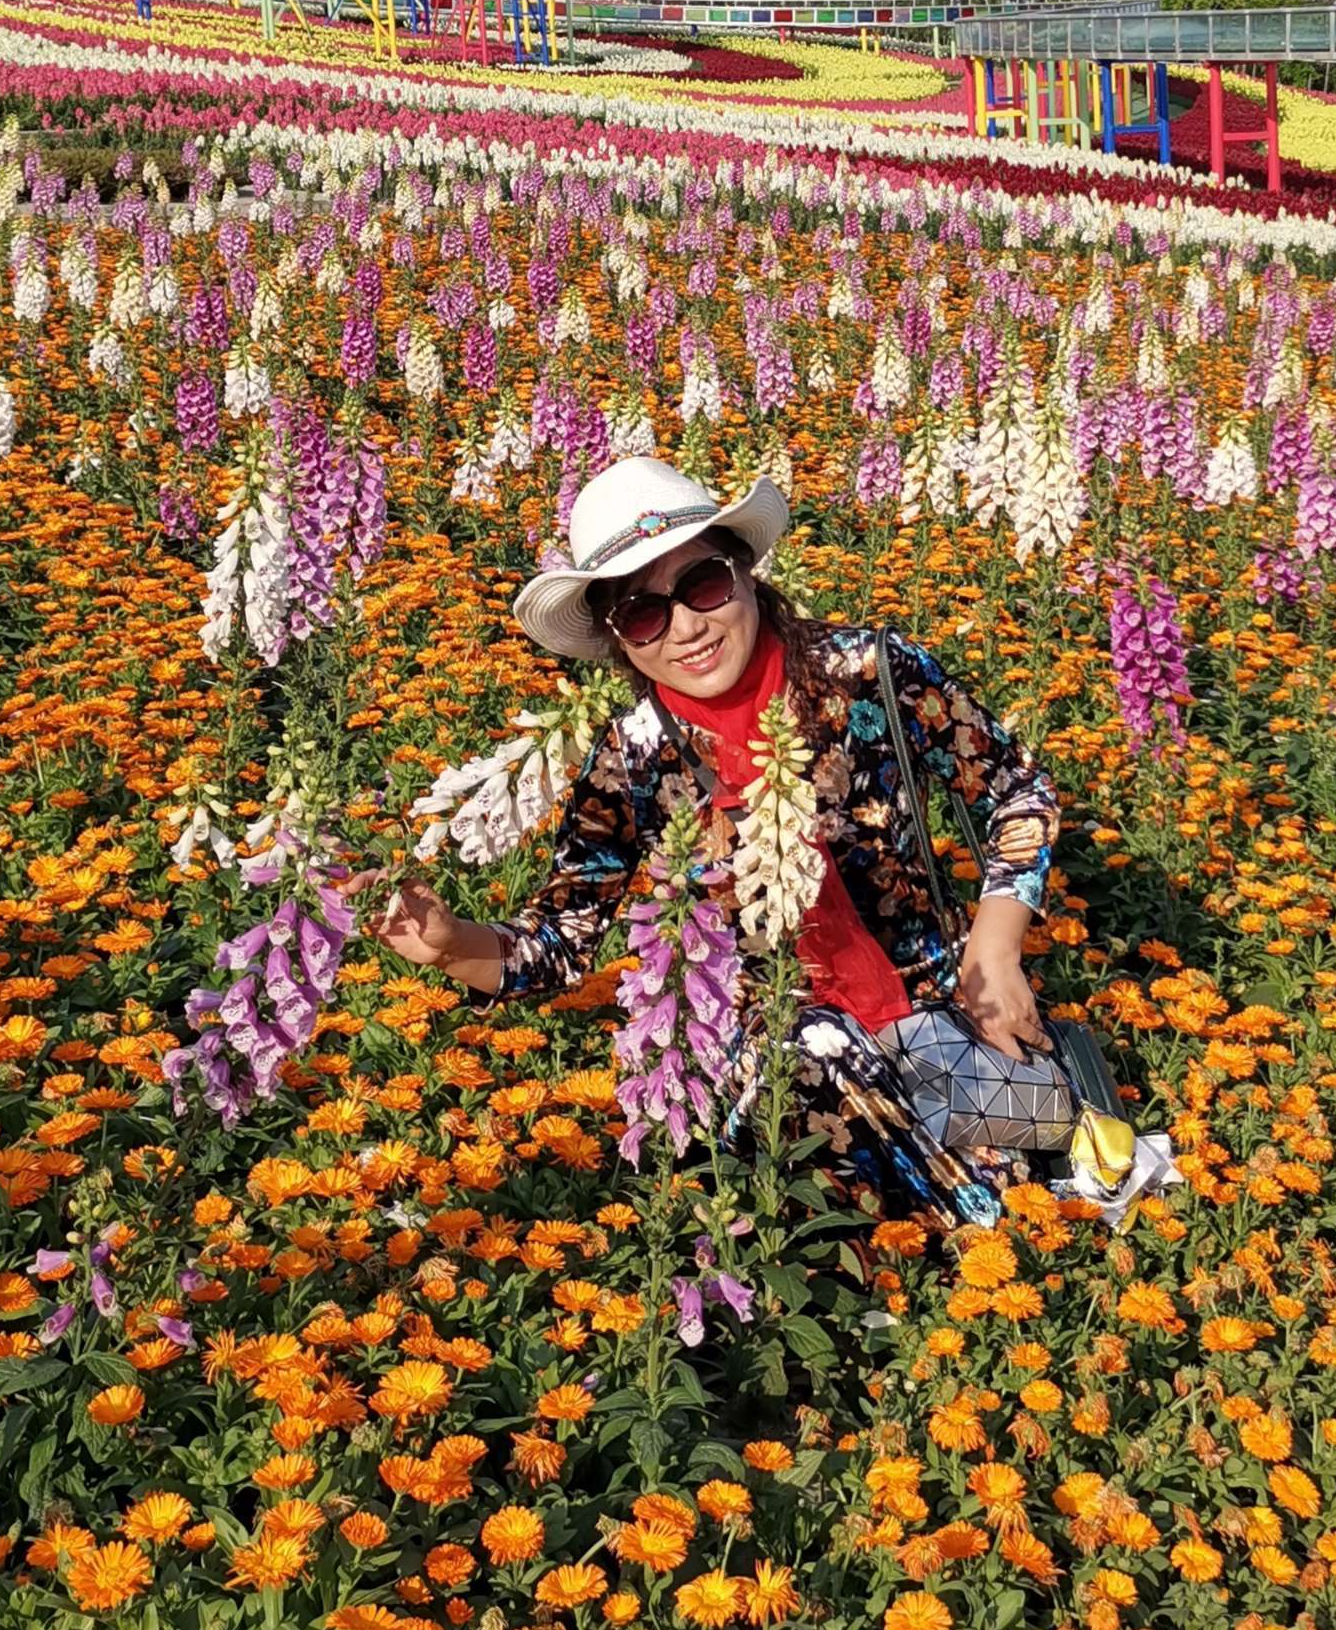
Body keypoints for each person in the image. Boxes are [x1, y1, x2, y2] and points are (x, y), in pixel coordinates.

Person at [370, 457, 1062, 1227]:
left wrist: (993, 948)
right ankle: (976, 1226)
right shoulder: (634, 752)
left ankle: (962, 1219)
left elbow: (1015, 785)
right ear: (618, 639)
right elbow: (563, 937)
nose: (686, 627)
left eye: (702, 583)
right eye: (641, 613)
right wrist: (449, 942)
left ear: (744, 572)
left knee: (1009, 1115)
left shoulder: (867, 670)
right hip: (768, 1065)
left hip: (935, 1009)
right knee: (815, 1046)